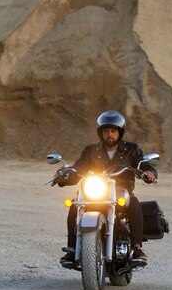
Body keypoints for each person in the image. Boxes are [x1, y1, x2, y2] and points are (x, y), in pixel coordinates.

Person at [55, 110, 158, 265]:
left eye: (113, 130)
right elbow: (78, 169)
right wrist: (64, 177)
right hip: (97, 190)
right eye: (106, 131)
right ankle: (72, 248)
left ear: (120, 132)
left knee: (134, 202)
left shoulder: (132, 149)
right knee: (75, 203)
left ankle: (137, 247)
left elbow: (143, 164)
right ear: (100, 133)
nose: (109, 134)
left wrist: (149, 172)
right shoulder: (91, 151)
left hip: (121, 191)